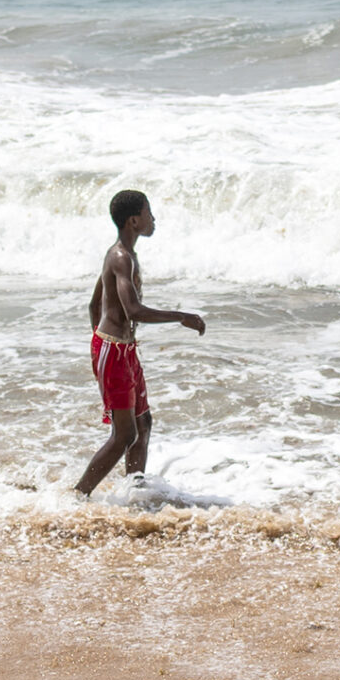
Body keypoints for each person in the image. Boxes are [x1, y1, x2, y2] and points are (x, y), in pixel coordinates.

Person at [77, 189, 206, 498]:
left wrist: (102, 339)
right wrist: (181, 316)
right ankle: (77, 497)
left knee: (143, 423)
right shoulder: (121, 257)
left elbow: (94, 304)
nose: (153, 219)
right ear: (134, 220)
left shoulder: (123, 255)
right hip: (114, 350)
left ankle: (134, 493)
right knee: (125, 434)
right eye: (149, 213)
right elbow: (132, 309)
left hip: (122, 349)